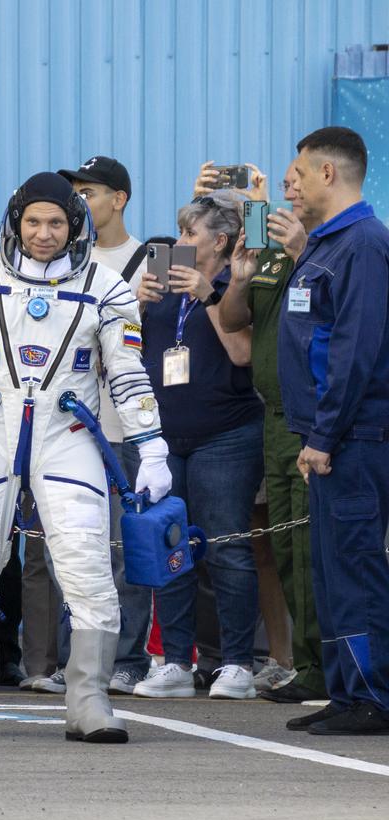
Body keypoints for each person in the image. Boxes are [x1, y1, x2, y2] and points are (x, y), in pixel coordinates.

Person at [0, 172, 170, 744]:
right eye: (33, 221)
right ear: (15, 223)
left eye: (56, 222)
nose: (44, 233)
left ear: (74, 226)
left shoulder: (106, 286)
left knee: (87, 569)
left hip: (68, 437)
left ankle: (89, 696)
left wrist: (151, 444)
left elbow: (127, 373)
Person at [277, 126, 389, 735]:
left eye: (297, 174)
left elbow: (353, 350)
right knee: (331, 572)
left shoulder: (362, 246)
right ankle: (346, 693)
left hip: (354, 438)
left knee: (355, 567)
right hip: (325, 438)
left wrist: (324, 437)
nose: (289, 185)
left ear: (328, 173)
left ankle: (374, 696)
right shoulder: (326, 245)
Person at [130, 191, 263, 701]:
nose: (180, 240)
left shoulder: (238, 282)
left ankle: (237, 664)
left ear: (221, 240)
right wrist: (135, 306)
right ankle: (175, 663)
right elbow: (122, 354)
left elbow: (242, 352)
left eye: (190, 233)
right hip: (164, 436)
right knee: (171, 548)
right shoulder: (162, 287)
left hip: (226, 434)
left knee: (227, 547)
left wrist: (209, 295)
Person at [217, 166, 327, 704]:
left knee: (311, 548)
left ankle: (326, 667)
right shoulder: (270, 250)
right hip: (274, 418)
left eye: (297, 179)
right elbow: (234, 321)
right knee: (283, 546)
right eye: (284, 182)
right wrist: (239, 278)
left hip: (315, 417)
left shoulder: (337, 247)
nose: (287, 190)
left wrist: (304, 251)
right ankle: (306, 666)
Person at [56, 154, 151, 693]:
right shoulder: (60, 262)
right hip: (70, 432)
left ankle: (128, 660)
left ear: (119, 199)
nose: (79, 202)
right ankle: (73, 662)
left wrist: (143, 307)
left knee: (125, 551)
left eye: (88, 192)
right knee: (73, 547)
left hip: (124, 429)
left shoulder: (146, 260)